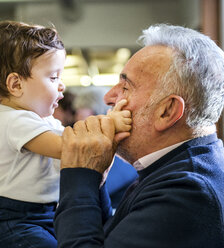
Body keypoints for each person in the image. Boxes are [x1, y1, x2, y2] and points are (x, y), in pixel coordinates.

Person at [54, 24, 224, 247]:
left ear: (167, 111)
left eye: (125, 87)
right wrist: (95, 178)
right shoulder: (178, 165)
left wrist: (79, 174)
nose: (107, 97)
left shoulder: (188, 192)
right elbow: (109, 237)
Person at [0, 21, 132, 248]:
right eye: (53, 77)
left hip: (41, 213)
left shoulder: (44, 120)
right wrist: (109, 124)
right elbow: (70, 147)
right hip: (10, 218)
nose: (62, 86)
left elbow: (74, 138)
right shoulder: (15, 120)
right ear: (16, 84)